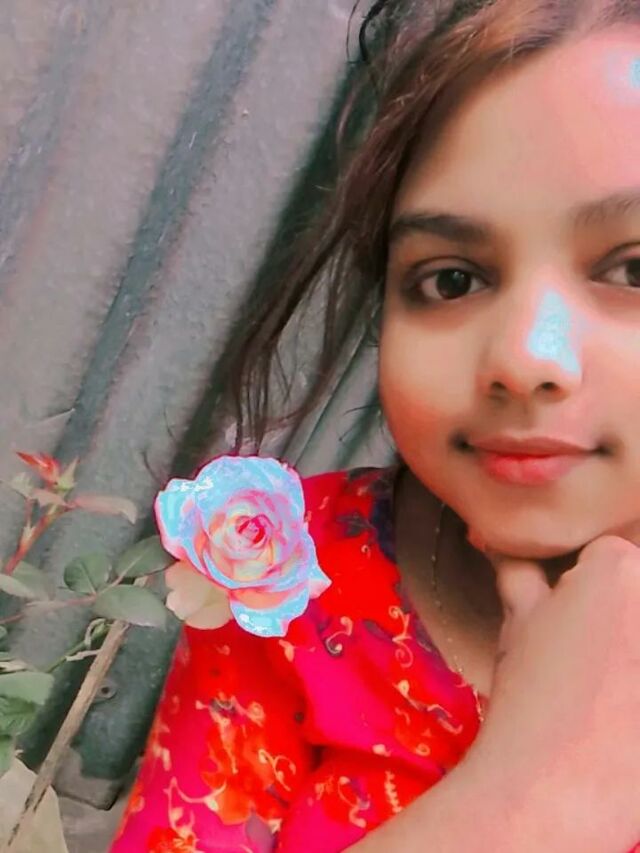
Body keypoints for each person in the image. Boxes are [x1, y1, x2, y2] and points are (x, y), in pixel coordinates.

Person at [110, 0, 640, 850]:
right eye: (452, 279)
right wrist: (531, 800)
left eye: (634, 269)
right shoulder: (290, 568)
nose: (524, 357)